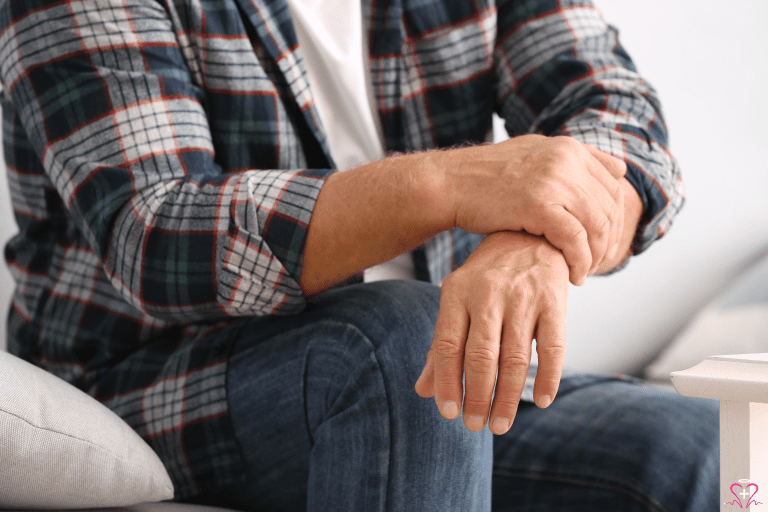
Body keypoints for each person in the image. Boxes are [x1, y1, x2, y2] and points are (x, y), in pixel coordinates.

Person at [0, 0, 718, 510]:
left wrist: (530, 238)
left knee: (703, 447)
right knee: (398, 343)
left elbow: (625, 119)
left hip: (437, 378)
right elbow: (158, 233)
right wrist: (457, 183)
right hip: (162, 378)